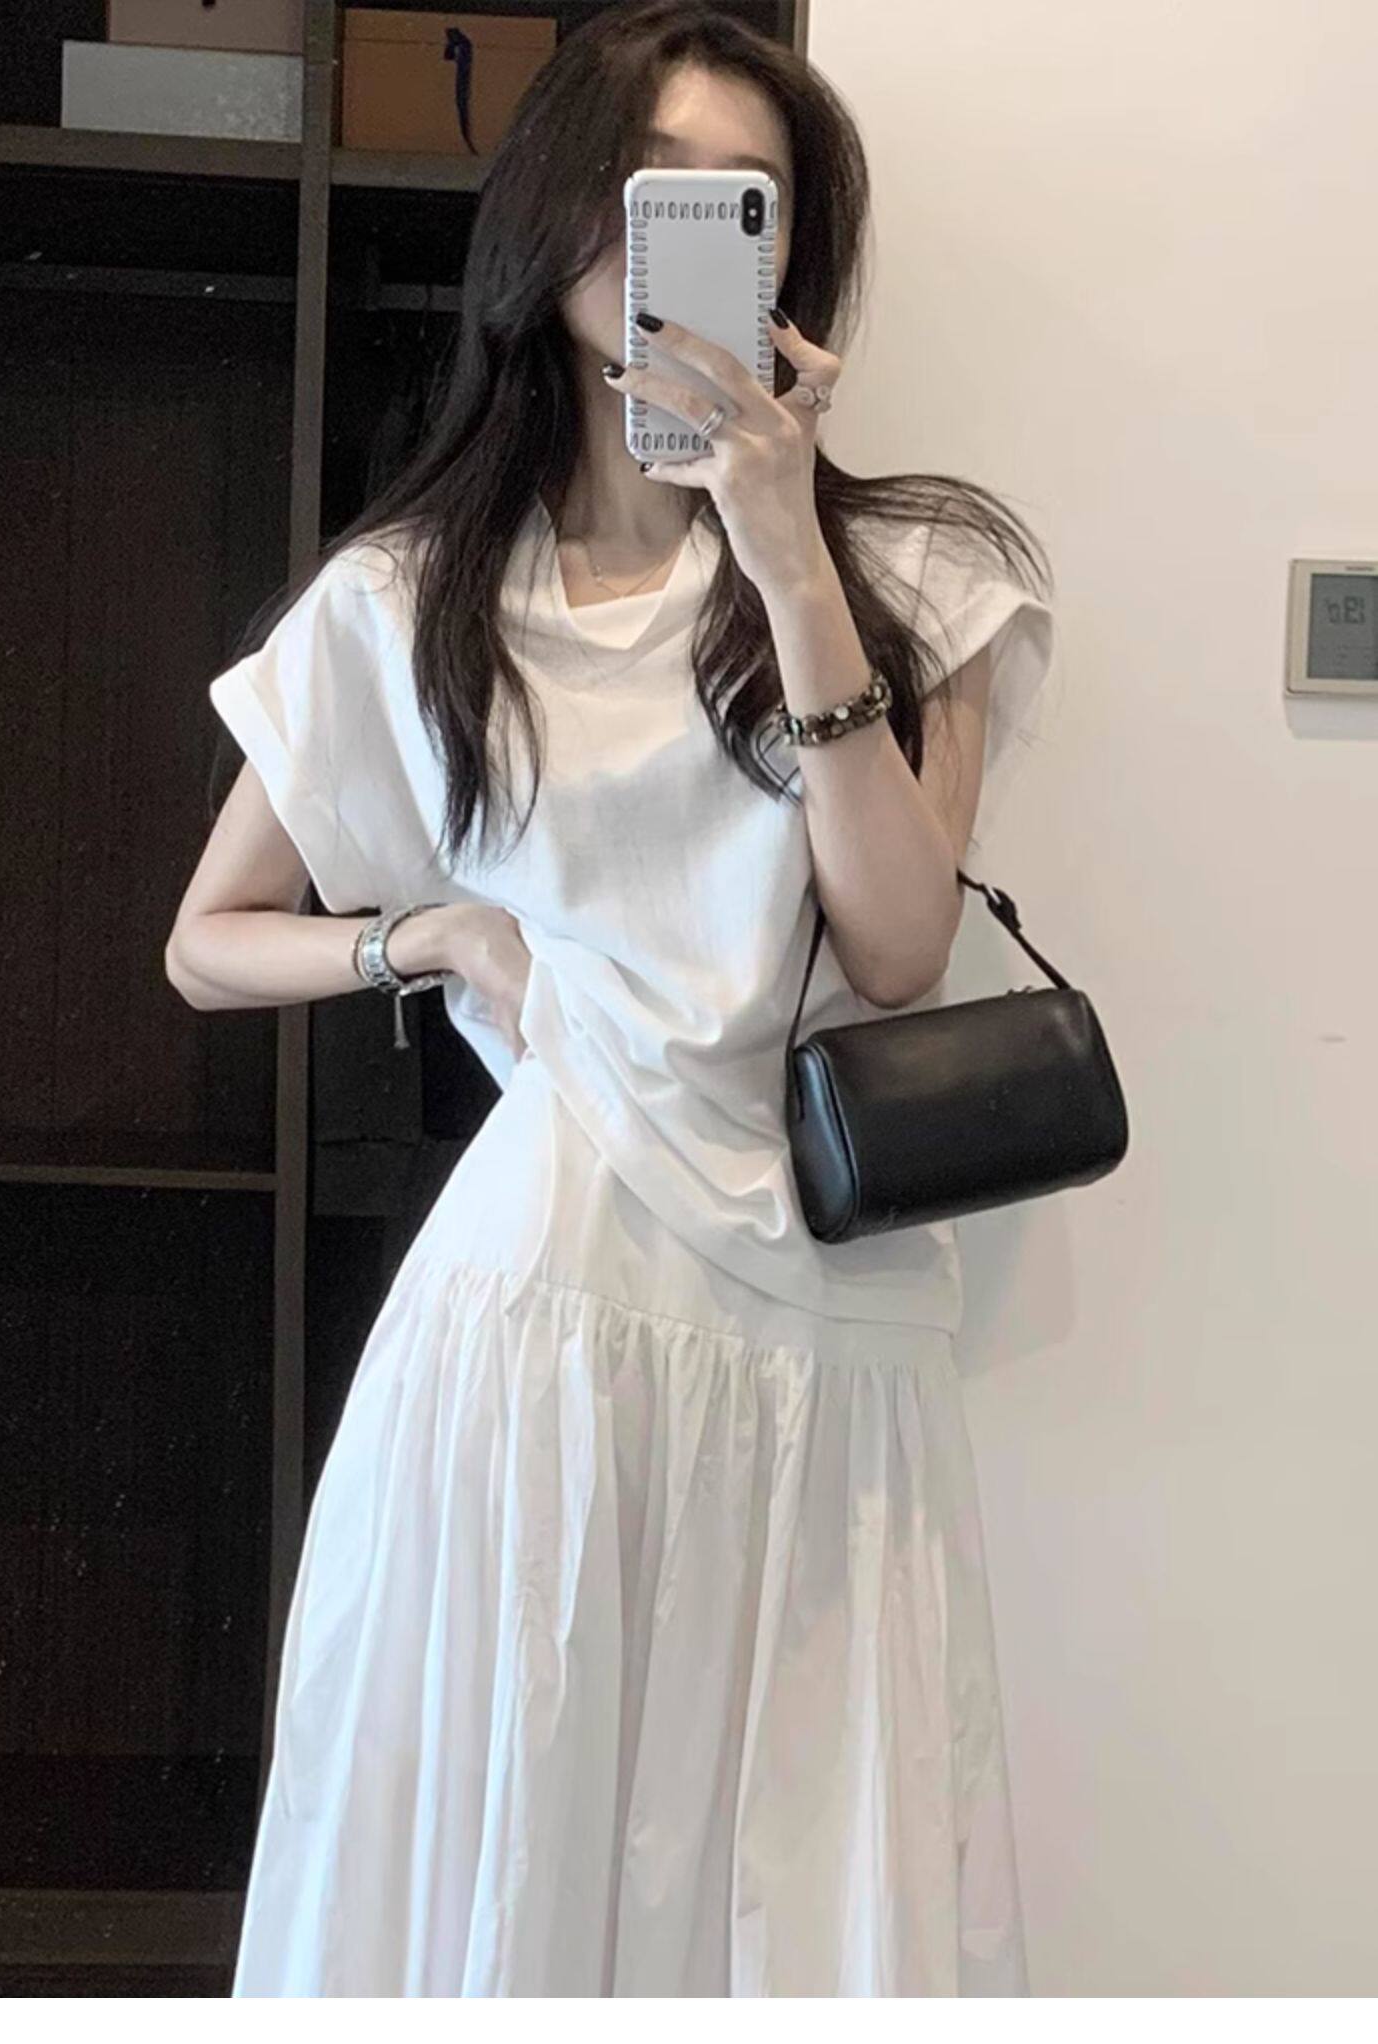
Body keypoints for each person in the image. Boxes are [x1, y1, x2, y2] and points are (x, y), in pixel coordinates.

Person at [166, 0, 1055, 1998]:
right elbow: (209, 936)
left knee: (806, 1894)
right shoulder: (411, 599)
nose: (688, 227)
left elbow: (899, 944)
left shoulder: (912, 572)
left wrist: (788, 558)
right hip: (531, 1326)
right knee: (510, 1877)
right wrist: (434, 939)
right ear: (561, 210)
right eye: (651, 183)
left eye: (744, 199)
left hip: (821, 1339)